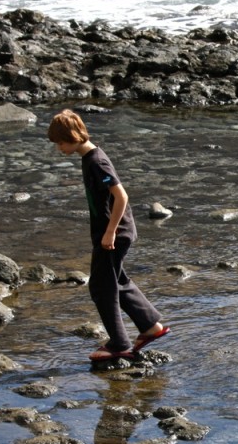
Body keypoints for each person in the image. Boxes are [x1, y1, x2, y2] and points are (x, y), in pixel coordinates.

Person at [48, 109, 169, 361]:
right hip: (112, 232)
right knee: (117, 281)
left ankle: (119, 344)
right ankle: (150, 326)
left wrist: (110, 232)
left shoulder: (97, 161)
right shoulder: (88, 158)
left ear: (73, 136)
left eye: (60, 142)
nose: (58, 147)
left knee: (101, 287)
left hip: (115, 233)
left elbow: (121, 196)